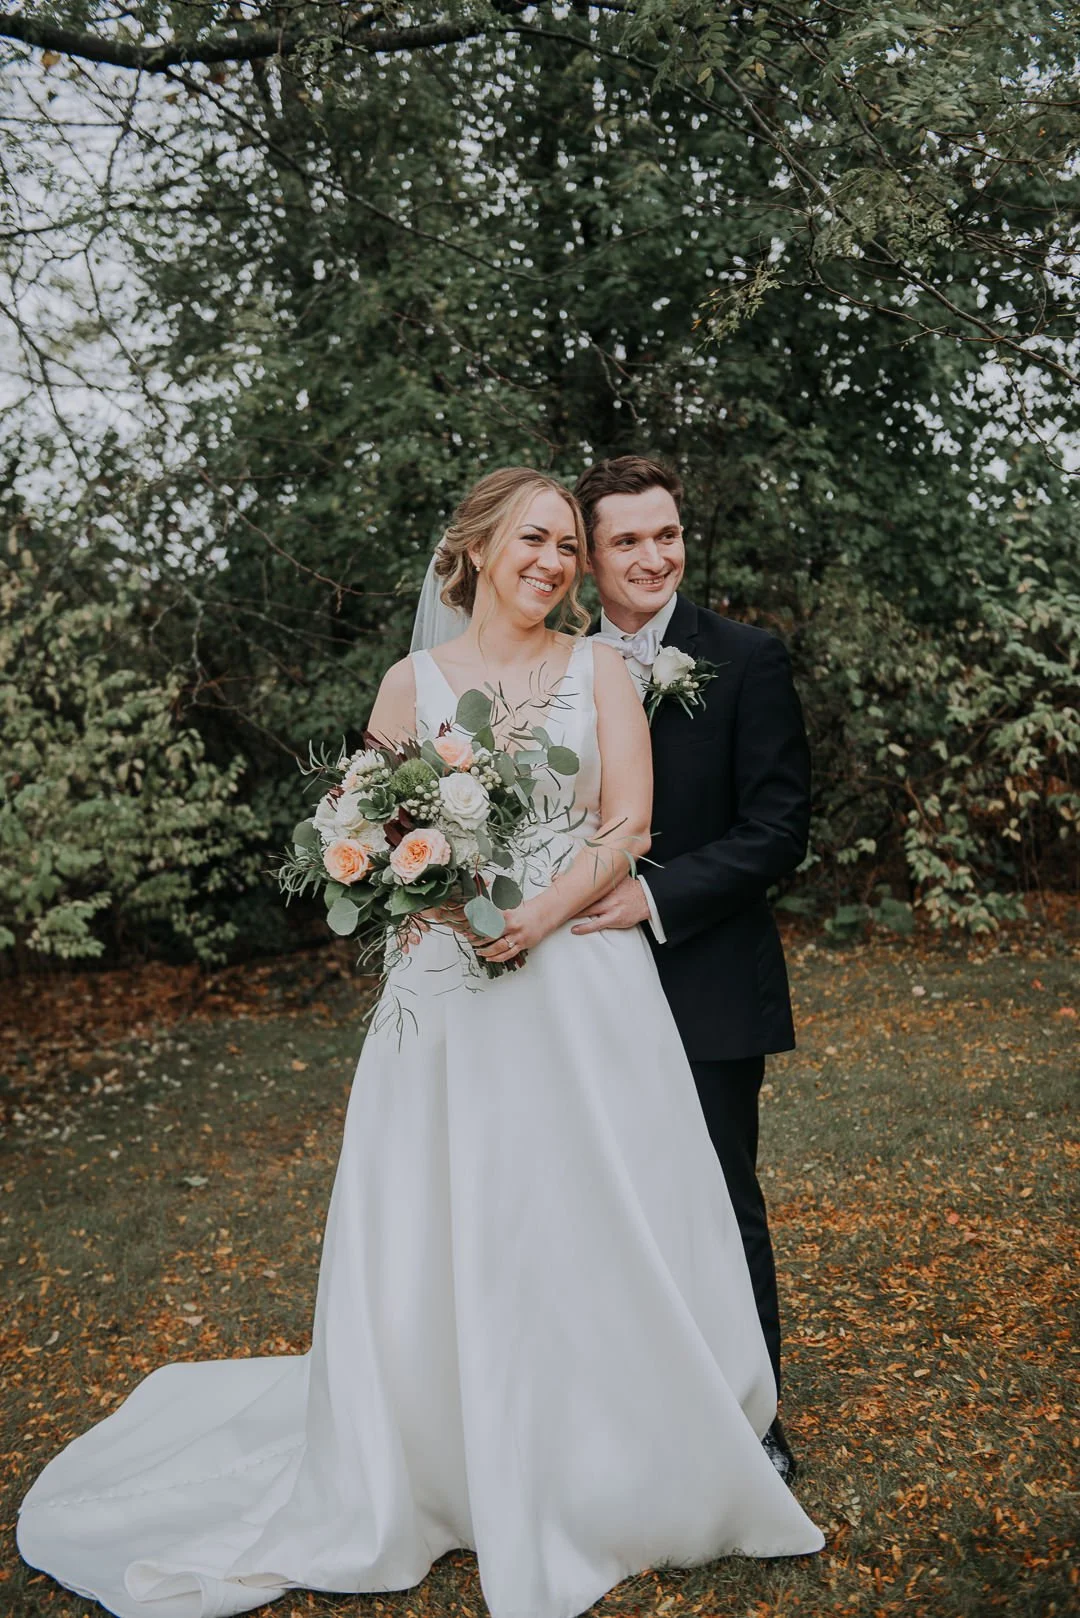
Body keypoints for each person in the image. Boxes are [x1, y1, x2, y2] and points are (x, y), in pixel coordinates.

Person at [17, 467, 822, 1618]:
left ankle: (618, 1434)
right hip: (447, 988)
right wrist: (435, 896)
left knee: (603, 1203)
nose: (551, 562)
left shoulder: (599, 672)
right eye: (534, 541)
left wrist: (538, 914)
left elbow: (629, 824)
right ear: (480, 550)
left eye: (561, 545)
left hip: (583, 973)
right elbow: (377, 825)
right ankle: (443, 1447)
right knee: (458, 1205)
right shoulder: (412, 682)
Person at [571, 455, 812, 1482]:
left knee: (719, 1195)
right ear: (586, 555)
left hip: (707, 974)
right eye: (627, 539)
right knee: (601, 1198)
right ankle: (623, 1402)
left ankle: (753, 1410)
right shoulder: (555, 666)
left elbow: (778, 828)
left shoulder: (746, 656)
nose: (653, 555)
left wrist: (655, 897)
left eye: (666, 533)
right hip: (576, 985)